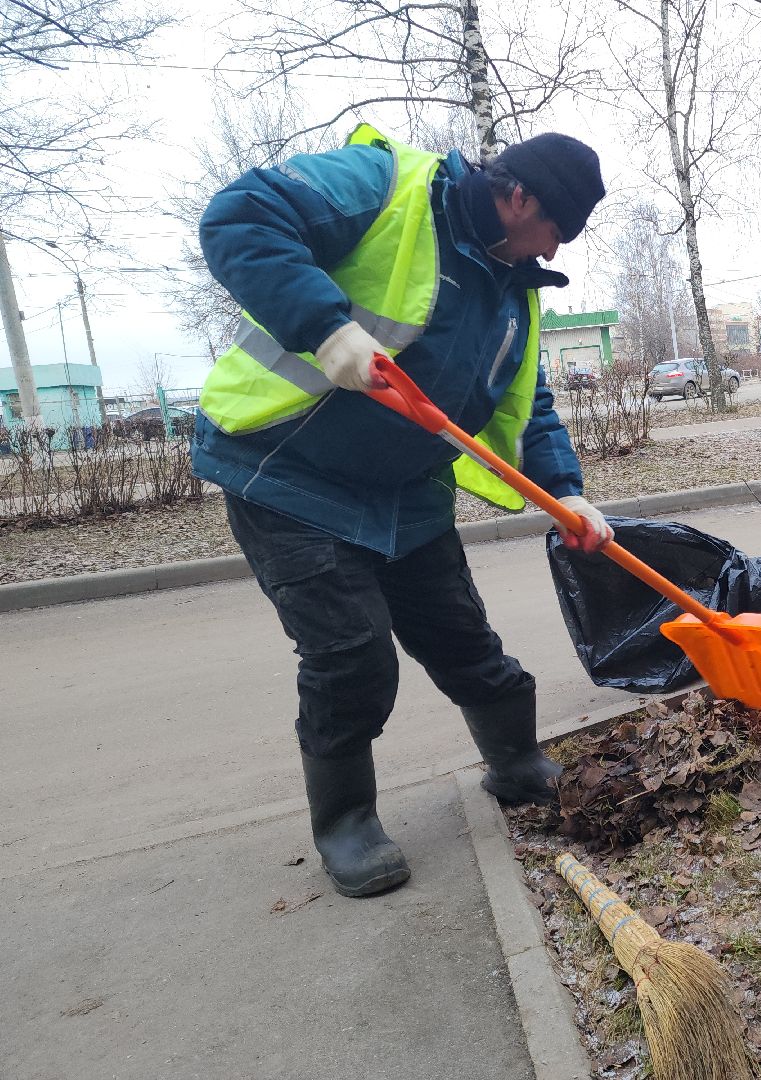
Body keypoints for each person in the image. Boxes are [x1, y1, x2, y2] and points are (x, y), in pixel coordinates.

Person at [192, 122, 613, 898]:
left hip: (405, 492)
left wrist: (568, 492)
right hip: (288, 473)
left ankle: (516, 762)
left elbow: (528, 403)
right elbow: (238, 216)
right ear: (521, 197)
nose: (556, 251)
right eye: (559, 230)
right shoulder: (386, 187)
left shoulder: (512, 294)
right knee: (352, 654)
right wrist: (326, 326)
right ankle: (346, 822)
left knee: (462, 636)